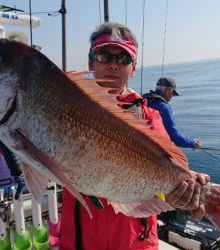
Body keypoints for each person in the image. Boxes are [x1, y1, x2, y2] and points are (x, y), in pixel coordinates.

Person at [59, 22, 209, 250]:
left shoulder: (149, 116)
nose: (113, 65)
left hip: (136, 243)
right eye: (104, 56)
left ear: (134, 67)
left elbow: (167, 169)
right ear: (91, 62)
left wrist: (186, 194)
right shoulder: (65, 108)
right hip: (80, 242)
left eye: (123, 59)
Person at [143, 77, 202, 148]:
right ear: (168, 90)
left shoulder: (143, 100)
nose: (172, 96)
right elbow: (174, 137)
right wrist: (193, 142)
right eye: (173, 93)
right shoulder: (164, 107)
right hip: (153, 150)